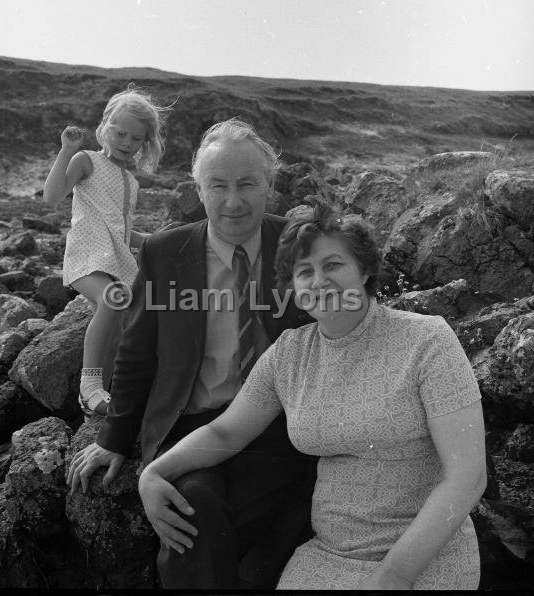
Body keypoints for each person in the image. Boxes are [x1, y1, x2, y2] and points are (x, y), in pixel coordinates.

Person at [137, 200, 487, 590]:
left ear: (365, 270)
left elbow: (467, 479)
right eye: (304, 272)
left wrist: (393, 578)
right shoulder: (290, 353)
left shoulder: (428, 340)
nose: (318, 281)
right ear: (293, 289)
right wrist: (153, 473)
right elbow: (226, 433)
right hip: (328, 555)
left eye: (333, 265)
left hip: (424, 556)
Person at [67, 119, 316, 589]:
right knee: (194, 504)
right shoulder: (166, 252)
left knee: (226, 520)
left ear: (269, 185)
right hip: (189, 425)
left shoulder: (299, 245)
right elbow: (138, 353)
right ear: (198, 189)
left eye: (247, 184)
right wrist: (114, 437)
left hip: (274, 429)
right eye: (217, 185)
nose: (233, 201)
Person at [43, 83, 167, 418]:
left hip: (115, 259)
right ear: (105, 127)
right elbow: (52, 197)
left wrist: (156, 238)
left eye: (136, 138)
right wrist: (67, 150)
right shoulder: (87, 161)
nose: (127, 143)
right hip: (86, 256)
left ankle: (109, 393)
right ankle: (89, 388)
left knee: (134, 314)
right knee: (114, 298)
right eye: (120, 133)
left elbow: (124, 232)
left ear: (145, 142)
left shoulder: (132, 182)